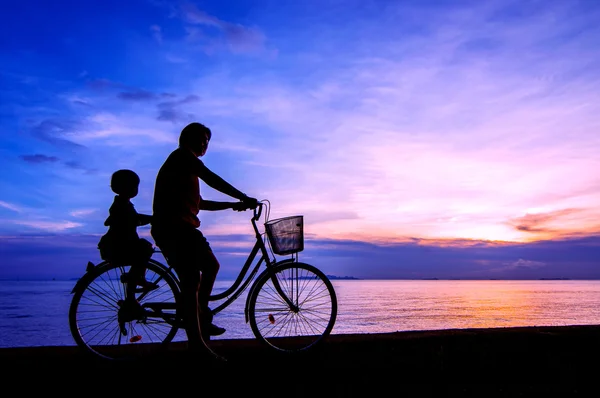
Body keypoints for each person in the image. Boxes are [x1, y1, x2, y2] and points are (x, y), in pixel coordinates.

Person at [151, 122, 258, 359]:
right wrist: (243, 196)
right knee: (192, 280)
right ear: (186, 139)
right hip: (175, 228)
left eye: (207, 140)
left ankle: (200, 316)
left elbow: (201, 203)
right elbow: (211, 178)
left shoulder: (185, 167)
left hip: (179, 227)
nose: (204, 143)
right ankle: (197, 342)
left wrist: (232, 205)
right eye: (200, 138)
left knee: (209, 268)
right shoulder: (183, 157)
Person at [98, 169, 157, 308]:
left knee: (143, 250)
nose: (136, 189)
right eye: (135, 186)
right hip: (119, 246)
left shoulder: (122, 204)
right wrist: (153, 219)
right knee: (145, 248)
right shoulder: (122, 205)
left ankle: (137, 279)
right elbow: (134, 219)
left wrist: (149, 219)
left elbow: (135, 219)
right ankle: (135, 283)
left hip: (118, 245)